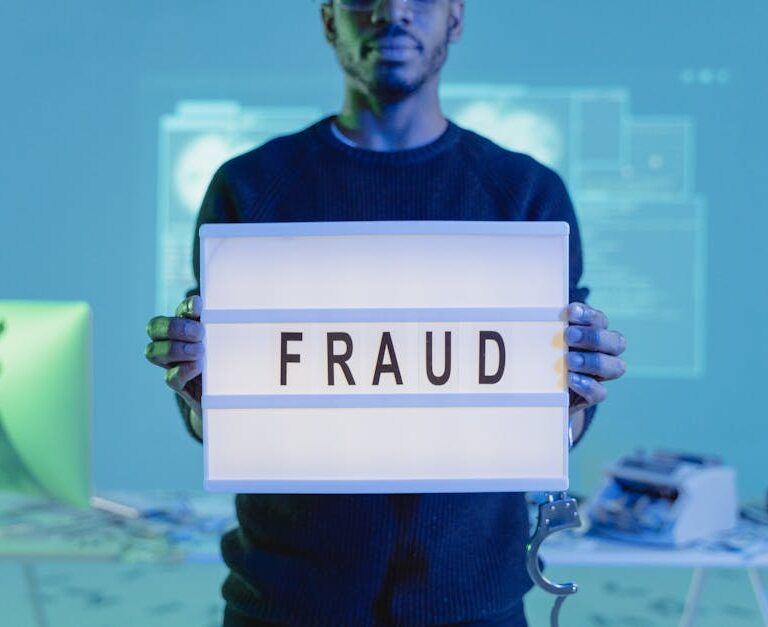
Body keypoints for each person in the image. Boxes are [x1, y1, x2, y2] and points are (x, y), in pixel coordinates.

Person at [145, 0, 627, 624]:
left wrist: (575, 399)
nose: (392, 12)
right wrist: (199, 390)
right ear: (329, 21)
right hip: (284, 601)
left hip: (471, 603)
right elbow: (216, 419)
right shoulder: (252, 186)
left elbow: (560, 420)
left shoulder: (525, 195)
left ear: (454, 19)